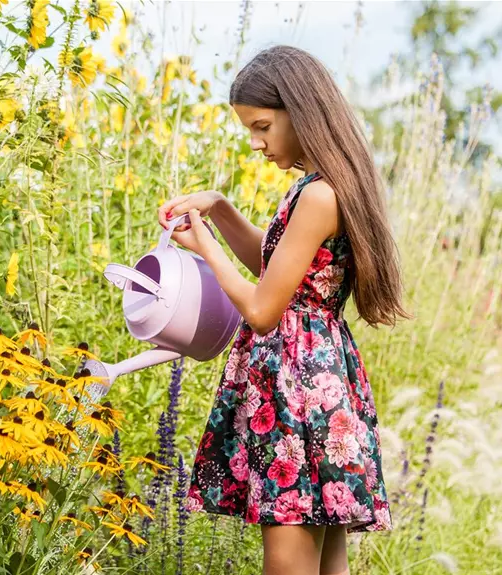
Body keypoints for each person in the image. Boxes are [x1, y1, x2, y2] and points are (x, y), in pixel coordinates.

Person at [157, 45, 412, 575]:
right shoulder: (319, 187)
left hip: (298, 395)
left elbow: (262, 309)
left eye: (263, 126)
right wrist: (221, 209)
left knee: (290, 559)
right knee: (325, 564)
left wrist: (202, 244)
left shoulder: (320, 195)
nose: (256, 142)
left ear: (301, 110)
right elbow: (277, 271)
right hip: (320, 382)